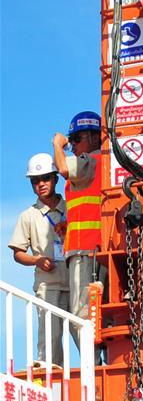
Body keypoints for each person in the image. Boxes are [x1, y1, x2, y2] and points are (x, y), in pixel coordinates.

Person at [8, 153, 69, 366]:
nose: (40, 184)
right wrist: (36, 260)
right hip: (48, 286)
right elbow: (17, 253)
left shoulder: (72, 206)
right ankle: (52, 379)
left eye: (45, 178)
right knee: (50, 342)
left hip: (77, 281)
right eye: (35, 180)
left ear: (55, 179)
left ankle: (96, 375)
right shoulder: (28, 216)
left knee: (87, 335)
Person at [52, 111, 105, 353]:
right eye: (70, 140)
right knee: (96, 314)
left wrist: (58, 145)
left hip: (86, 250)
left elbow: (64, 168)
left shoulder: (91, 160)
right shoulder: (100, 163)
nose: (72, 144)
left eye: (76, 138)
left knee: (81, 316)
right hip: (91, 248)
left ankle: (91, 366)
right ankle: (96, 362)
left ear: (95, 137)